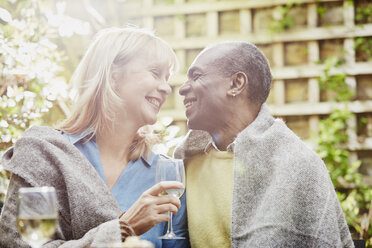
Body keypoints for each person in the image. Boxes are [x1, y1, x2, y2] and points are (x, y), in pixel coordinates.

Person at [0, 27, 189, 248]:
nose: (166, 88)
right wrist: (123, 228)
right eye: (155, 73)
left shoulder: (164, 176)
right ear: (112, 74)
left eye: (167, 78)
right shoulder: (45, 155)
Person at [174, 41, 354, 247]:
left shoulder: (298, 164)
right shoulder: (184, 160)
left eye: (196, 76)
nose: (182, 88)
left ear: (236, 84)